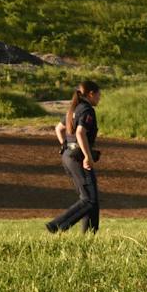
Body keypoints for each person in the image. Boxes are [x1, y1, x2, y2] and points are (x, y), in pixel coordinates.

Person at [47, 80, 103, 234]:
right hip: (78, 158)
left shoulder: (74, 109)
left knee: (90, 200)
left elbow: (59, 129)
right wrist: (87, 156)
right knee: (89, 200)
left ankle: (89, 236)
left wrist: (65, 146)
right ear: (91, 94)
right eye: (99, 95)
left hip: (68, 156)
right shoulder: (87, 110)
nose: (99, 98)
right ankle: (56, 226)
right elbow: (80, 132)